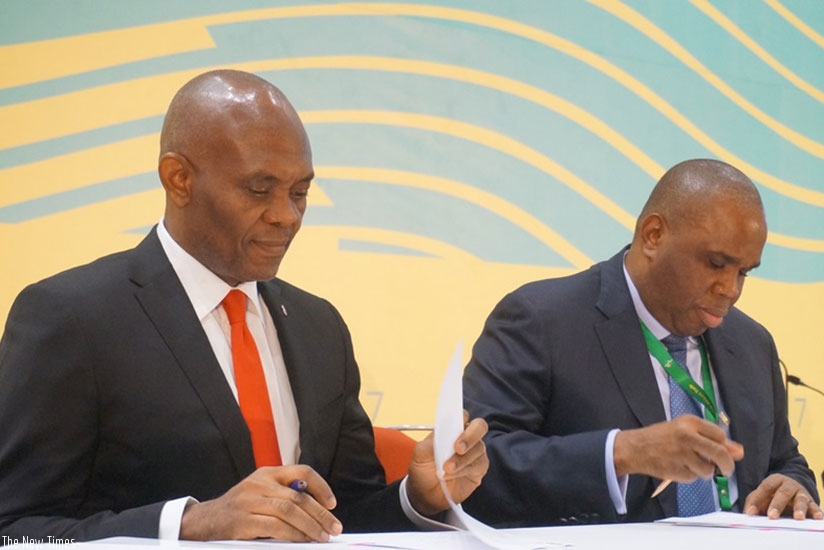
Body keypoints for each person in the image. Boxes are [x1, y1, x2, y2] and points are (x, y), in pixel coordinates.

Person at [0, 69, 488, 542]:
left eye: (300, 193)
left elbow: (344, 517)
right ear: (178, 179)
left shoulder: (320, 327)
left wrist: (418, 497)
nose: (286, 216)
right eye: (259, 190)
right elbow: (16, 532)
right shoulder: (71, 319)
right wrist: (189, 524)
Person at [462, 159, 821, 526]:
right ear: (653, 235)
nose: (730, 290)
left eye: (743, 272)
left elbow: (785, 461)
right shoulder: (541, 319)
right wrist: (620, 453)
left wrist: (793, 485)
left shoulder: (752, 343)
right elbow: (476, 465)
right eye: (716, 264)